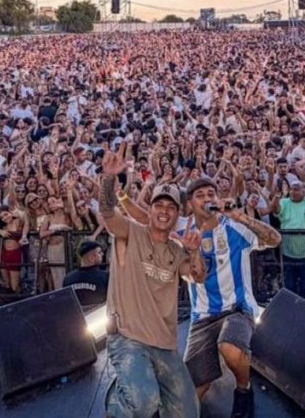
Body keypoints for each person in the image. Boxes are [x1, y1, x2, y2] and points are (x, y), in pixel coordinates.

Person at [99, 143, 206, 418]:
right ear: (151, 209)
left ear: (178, 214)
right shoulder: (130, 232)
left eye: (171, 207)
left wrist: (195, 252)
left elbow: (197, 276)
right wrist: (109, 178)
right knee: (143, 403)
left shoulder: (177, 250)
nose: (164, 211)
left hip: (164, 343)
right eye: (159, 204)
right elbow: (108, 212)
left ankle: (133, 391)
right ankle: (116, 404)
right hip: (128, 338)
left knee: (188, 412)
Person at [180, 176, 281, 418]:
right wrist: (193, 251)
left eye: (211, 194)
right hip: (203, 317)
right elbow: (194, 277)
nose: (207, 199)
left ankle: (243, 389)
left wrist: (241, 216)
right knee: (191, 391)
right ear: (190, 204)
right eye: (200, 195)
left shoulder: (235, 227)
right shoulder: (185, 237)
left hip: (238, 308)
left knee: (230, 347)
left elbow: (275, 240)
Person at [62, 239, 110, 306]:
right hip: (99, 311)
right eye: (99, 252)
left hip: (76, 312)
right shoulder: (105, 277)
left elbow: (66, 302)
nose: (102, 254)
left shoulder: (68, 278)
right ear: (91, 258)